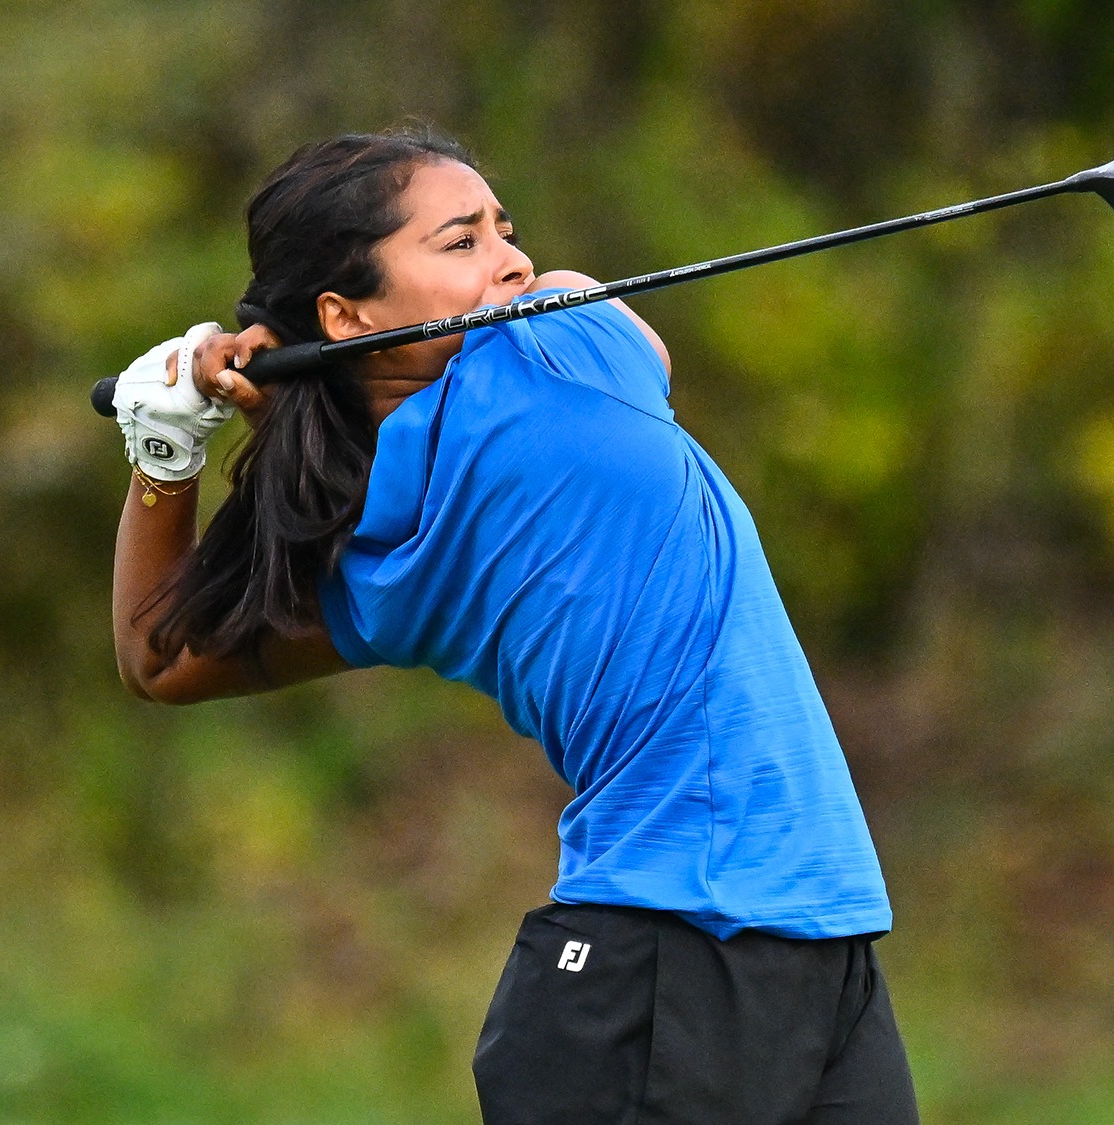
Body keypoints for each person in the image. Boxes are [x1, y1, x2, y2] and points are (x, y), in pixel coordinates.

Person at [108, 128, 918, 1123]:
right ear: (344, 313)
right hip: (660, 958)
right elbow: (600, 312)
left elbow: (156, 660)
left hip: (810, 943)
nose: (514, 261)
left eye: (506, 230)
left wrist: (167, 447)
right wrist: (272, 401)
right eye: (460, 243)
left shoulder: (379, 553)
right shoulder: (553, 356)